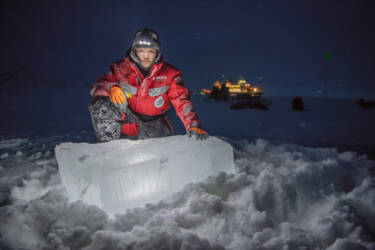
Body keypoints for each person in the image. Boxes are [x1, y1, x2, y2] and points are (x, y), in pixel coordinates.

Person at [89, 28, 208, 142]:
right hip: (127, 120)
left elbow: (182, 101)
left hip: (154, 126)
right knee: (101, 105)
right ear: (134, 52)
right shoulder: (119, 68)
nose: (146, 56)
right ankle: (108, 147)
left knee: (156, 154)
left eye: (150, 51)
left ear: (157, 52)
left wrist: (193, 125)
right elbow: (96, 87)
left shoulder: (170, 74)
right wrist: (110, 88)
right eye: (141, 51)